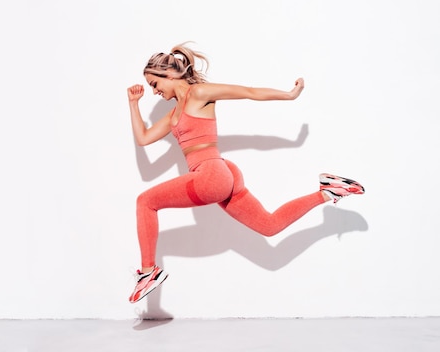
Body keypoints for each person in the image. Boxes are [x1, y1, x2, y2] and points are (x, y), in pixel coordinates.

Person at [126, 43, 365, 303]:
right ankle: (328, 191)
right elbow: (144, 138)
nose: (154, 91)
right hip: (222, 173)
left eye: (154, 83)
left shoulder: (199, 93)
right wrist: (133, 104)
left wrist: (289, 95)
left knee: (145, 201)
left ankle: (148, 273)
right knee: (270, 225)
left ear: (170, 75)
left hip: (211, 175)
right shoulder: (174, 113)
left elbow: (248, 92)